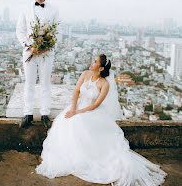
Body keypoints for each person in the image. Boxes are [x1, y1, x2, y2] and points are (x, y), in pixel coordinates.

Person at [35, 54, 167, 185]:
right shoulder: (85, 74)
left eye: (95, 62)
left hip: (91, 111)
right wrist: (73, 109)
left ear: (101, 68)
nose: (92, 63)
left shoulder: (104, 84)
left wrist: (77, 112)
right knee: (64, 122)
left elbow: (95, 105)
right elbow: (76, 92)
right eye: (93, 60)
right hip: (77, 107)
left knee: (80, 125)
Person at [16, 0, 59, 128]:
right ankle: (27, 114)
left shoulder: (54, 9)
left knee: (45, 83)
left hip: (47, 53)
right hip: (29, 53)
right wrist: (29, 47)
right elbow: (20, 31)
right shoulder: (25, 8)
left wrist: (47, 47)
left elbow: (57, 32)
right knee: (29, 83)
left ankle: (45, 114)